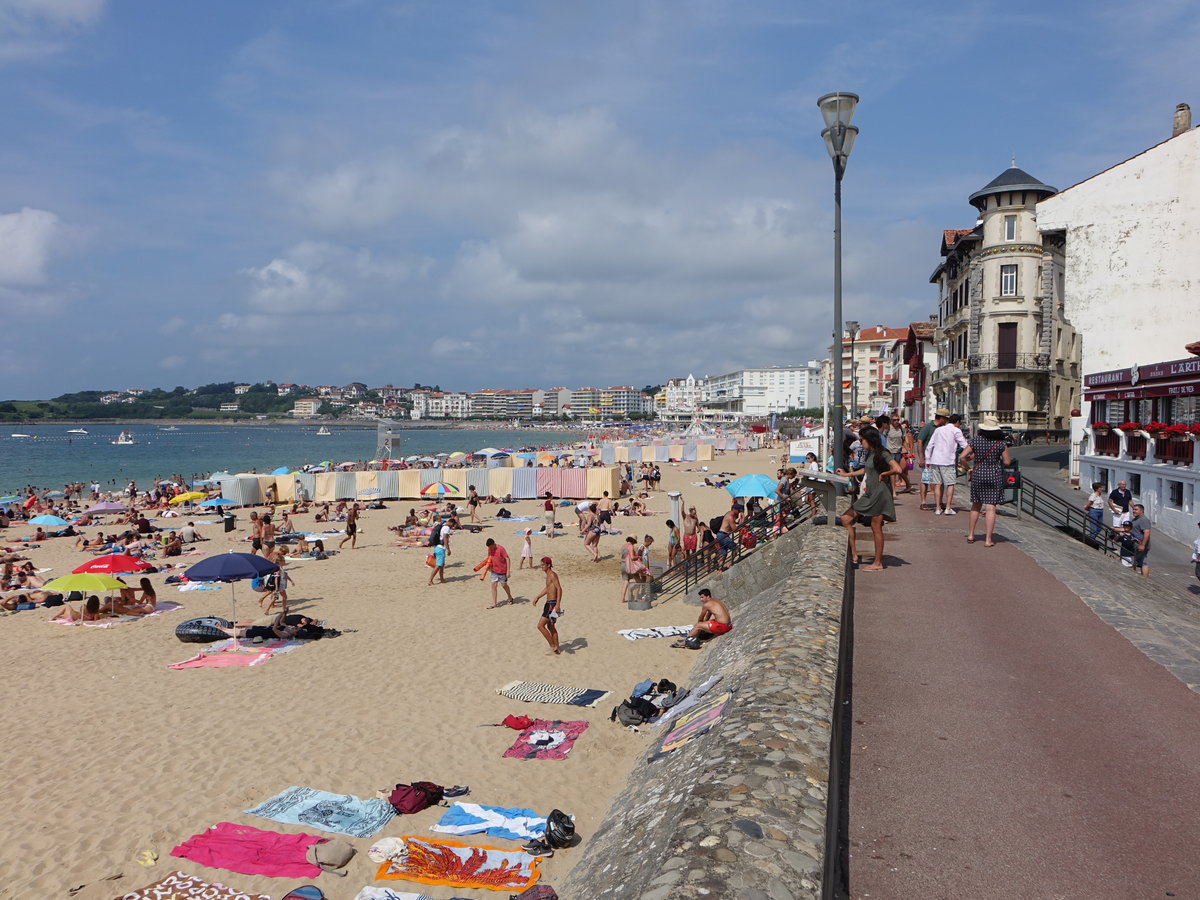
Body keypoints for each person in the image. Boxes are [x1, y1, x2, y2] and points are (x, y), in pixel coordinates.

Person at [836, 425, 902, 571]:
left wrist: (885, 474)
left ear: (870, 439)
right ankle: (854, 554)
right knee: (845, 519)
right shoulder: (870, 453)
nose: (860, 442)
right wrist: (846, 475)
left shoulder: (882, 453)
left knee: (875, 526)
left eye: (862, 439)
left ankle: (878, 563)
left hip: (880, 493)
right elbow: (866, 469)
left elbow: (898, 469)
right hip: (870, 493)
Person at [959, 415, 1012, 547]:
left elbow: (962, 457)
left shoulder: (976, 441)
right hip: (994, 475)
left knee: (976, 505)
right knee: (990, 508)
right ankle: (988, 539)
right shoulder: (1001, 444)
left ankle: (971, 534)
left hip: (978, 474)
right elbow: (1007, 462)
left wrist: (968, 468)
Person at [924, 412, 968, 514]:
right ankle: (948, 507)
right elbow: (964, 444)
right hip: (948, 461)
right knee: (950, 484)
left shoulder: (938, 430)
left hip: (935, 460)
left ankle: (938, 508)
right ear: (957, 422)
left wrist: (928, 460)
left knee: (937, 484)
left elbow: (930, 445)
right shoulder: (956, 430)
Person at [915, 409, 947, 510]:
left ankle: (940, 501)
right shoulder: (928, 427)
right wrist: (921, 457)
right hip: (928, 459)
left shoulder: (943, 428)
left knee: (940, 481)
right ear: (941, 418)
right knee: (925, 479)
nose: (946, 421)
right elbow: (920, 441)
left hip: (940, 459)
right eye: (946, 418)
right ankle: (923, 502)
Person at [534, 556, 563, 655]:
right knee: (551, 627)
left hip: (552, 604)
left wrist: (558, 604)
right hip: (549, 603)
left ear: (548, 565)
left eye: (543, 565)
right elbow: (548, 588)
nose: (541, 566)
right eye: (541, 565)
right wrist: (538, 597)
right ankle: (557, 649)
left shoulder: (552, 575)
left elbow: (559, 589)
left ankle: (552, 645)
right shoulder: (548, 575)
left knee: (540, 626)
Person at [484, 538, 514, 608]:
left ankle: (510, 597)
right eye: (489, 547)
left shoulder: (501, 549)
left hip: (502, 570)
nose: (490, 548)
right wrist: (488, 566)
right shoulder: (489, 549)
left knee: (504, 585)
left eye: (491, 547)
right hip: (494, 570)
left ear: (494, 544)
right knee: (493, 586)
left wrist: (508, 570)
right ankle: (494, 603)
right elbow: (489, 557)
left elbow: (507, 558)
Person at [620, 536, 647, 603]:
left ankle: (622, 599)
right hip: (630, 566)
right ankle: (636, 597)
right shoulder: (630, 546)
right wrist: (638, 557)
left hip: (623, 565)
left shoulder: (623, 546)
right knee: (639, 582)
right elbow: (632, 557)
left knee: (626, 581)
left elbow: (620, 557)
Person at [1129, 503, 1152, 576]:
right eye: (1133, 509)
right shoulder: (1136, 519)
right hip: (1137, 544)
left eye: (1136, 510)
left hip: (1141, 544)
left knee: (1143, 562)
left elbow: (1147, 532)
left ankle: (1145, 580)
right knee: (1141, 561)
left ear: (1141, 511)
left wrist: (1142, 545)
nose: (1134, 511)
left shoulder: (1143, 520)